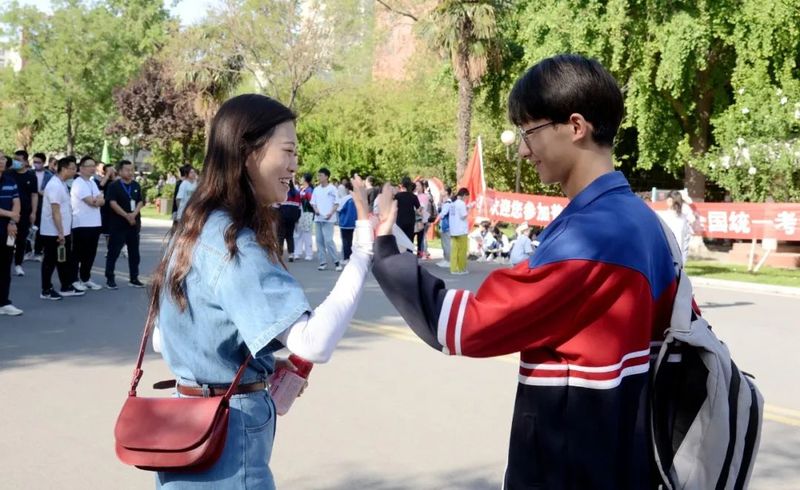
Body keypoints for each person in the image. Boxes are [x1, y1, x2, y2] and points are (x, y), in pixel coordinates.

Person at [370, 54, 678, 490]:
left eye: (529, 132)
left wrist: (386, 252)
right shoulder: (646, 223)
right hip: (628, 459)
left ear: (576, 126)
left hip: (571, 468)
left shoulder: (591, 236)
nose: (522, 149)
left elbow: (468, 326)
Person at [151, 93, 375, 489]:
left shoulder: (194, 226)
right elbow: (314, 342)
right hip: (227, 435)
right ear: (247, 152)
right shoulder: (233, 243)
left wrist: (258, 363)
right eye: (287, 151)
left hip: (183, 425)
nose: (294, 165)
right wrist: (363, 249)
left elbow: (161, 339)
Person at [40, 156, 84, 300]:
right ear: (64, 169)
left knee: (63, 259)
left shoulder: (62, 183)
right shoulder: (54, 185)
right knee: (50, 261)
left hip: (63, 230)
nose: (75, 171)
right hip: (53, 231)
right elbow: (55, 211)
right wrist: (60, 232)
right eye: (72, 168)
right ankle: (46, 290)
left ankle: (66, 286)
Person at [105, 160, 145, 289]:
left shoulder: (136, 185)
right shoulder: (114, 186)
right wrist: (126, 215)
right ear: (120, 171)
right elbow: (112, 203)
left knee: (134, 253)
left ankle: (134, 278)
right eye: (127, 170)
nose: (130, 172)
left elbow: (140, 201)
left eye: (132, 169)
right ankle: (110, 278)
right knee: (114, 252)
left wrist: (134, 214)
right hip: (119, 224)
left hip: (133, 224)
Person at [70, 155, 105, 290]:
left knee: (90, 253)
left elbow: (102, 200)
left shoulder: (92, 183)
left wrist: (98, 200)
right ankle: (73, 279)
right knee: (78, 253)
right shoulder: (78, 183)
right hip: (81, 223)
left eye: (93, 166)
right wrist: (97, 200)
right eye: (89, 166)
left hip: (95, 223)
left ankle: (85, 278)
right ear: (81, 168)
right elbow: (91, 202)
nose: (92, 168)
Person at [5, 150, 38, 276]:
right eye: (14, 160)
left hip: (24, 213)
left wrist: (33, 212)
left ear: (25, 161)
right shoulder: (8, 174)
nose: (16, 162)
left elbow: (34, 195)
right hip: (9, 213)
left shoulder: (31, 176)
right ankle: (7, 263)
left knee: (21, 240)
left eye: (18, 160)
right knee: (10, 239)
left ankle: (18, 264)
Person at [0, 161, 23, 315]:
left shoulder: (10, 181)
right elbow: (13, 212)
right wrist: (11, 214)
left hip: (8, 229)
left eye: (2, 158)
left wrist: (13, 221)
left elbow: (16, 202)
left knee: (5, 266)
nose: (2, 161)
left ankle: (3, 302)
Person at [310, 167, 341, 271]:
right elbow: (313, 202)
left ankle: (336, 262)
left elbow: (337, 203)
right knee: (319, 241)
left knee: (328, 240)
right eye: (318, 175)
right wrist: (316, 210)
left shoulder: (332, 189)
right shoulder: (316, 189)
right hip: (318, 218)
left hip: (328, 218)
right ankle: (322, 262)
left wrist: (331, 213)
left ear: (326, 177)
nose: (319, 177)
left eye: (321, 175)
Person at [660, 189, 692, 265]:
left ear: (671, 200)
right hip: (671, 254)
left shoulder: (682, 218)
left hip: (675, 254)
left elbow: (686, 239)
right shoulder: (663, 216)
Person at [31, 152, 52, 260]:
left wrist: (42, 192)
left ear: (43, 162)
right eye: (34, 162)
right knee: (29, 227)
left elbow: (51, 191)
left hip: (43, 203)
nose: (36, 164)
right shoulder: (30, 173)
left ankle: (38, 250)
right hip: (30, 202)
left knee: (40, 227)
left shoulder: (49, 175)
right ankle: (28, 250)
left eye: (38, 162)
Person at [277, 179, 302, 262]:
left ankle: (280, 254)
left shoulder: (281, 193)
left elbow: (277, 206)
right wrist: (297, 218)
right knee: (290, 236)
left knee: (280, 236)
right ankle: (291, 254)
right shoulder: (297, 193)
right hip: (292, 218)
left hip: (282, 217)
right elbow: (299, 207)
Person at [448, 188, 471, 274]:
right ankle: (461, 269)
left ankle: (453, 269)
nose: (467, 199)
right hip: (461, 231)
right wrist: (469, 209)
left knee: (454, 251)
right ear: (464, 195)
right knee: (462, 251)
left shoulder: (452, 204)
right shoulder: (462, 204)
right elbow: (463, 215)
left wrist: (466, 208)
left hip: (453, 230)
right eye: (467, 197)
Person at [294, 173, 315, 261]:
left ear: (306, 179)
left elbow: (312, 202)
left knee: (307, 233)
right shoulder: (301, 189)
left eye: (302, 178)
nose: (301, 179)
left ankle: (309, 253)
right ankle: (297, 252)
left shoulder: (310, 190)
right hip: (300, 212)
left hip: (308, 212)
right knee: (299, 233)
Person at [394, 177, 419, 243]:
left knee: (400, 242)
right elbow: (419, 209)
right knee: (409, 241)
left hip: (400, 220)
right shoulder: (414, 196)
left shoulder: (397, 196)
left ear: (402, 185)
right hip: (410, 221)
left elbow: (393, 208)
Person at [337, 180, 357, 263]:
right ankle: (350, 257)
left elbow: (339, 209)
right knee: (350, 240)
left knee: (345, 241)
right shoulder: (356, 198)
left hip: (344, 222)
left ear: (347, 189)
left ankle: (346, 258)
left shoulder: (345, 199)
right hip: (353, 222)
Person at [436, 186, 453, 268]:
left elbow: (442, 214)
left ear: (446, 192)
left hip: (446, 226)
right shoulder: (445, 202)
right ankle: (446, 258)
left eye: (442, 190)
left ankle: (449, 260)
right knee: (444, 243)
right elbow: (439, 210)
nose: (440, 191)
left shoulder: (448, 203)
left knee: (447, 244)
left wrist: (436, 220)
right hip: (443, 226)